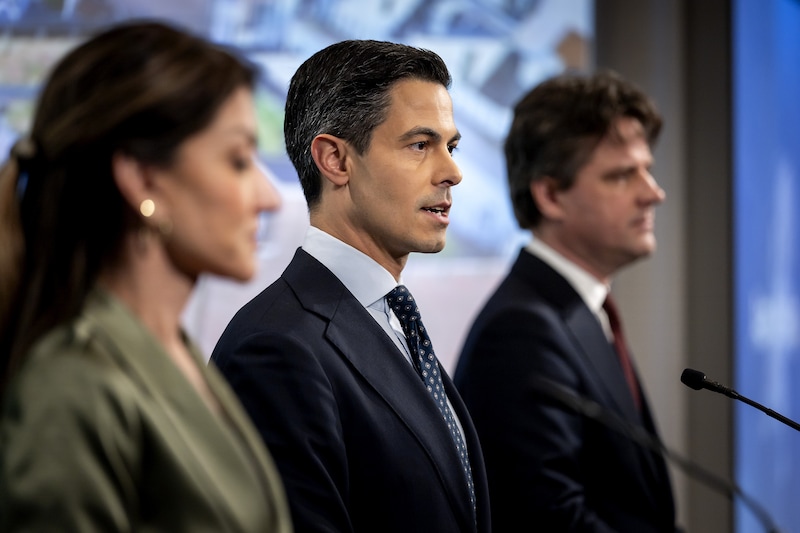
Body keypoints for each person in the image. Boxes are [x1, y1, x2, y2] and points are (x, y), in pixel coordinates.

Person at [0, 20, 293, 532]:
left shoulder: (167, 349)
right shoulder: (72, 386)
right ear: (143, 178)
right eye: (239, 160)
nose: (269, 197)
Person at [210, 39, 491, 533]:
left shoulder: (391, 319)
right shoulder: (276, 348)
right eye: (420, 145)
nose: (452, 172)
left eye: (452, 145)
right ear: (336, 160)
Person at [454, 70, 680, 532]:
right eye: (622, 176)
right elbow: (549, 521)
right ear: (551, 195)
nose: (653, 193)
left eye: (648, 170)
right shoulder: (521, 332)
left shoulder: (577, 310)